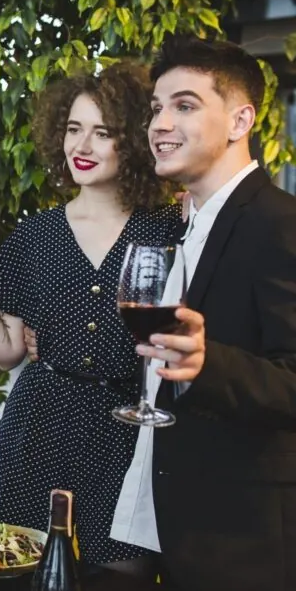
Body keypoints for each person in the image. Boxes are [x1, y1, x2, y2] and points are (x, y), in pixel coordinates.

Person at [0, 62, 179, 574]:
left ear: (130, 141)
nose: (81, 147)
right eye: (73, 129)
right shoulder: (36, 234)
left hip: (127, 439)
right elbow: (6, 350)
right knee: (24, 570)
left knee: (120, 577)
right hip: (37, 434)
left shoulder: (171, 228)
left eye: (101, 133)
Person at [110, 34, 296, 591]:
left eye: (184, 106)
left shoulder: (279, 223)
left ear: (240, 122)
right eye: (156, 108)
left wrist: (207, 364)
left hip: (244, 539)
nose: (160, 124)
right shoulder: (180, 226)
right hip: (174, 516)